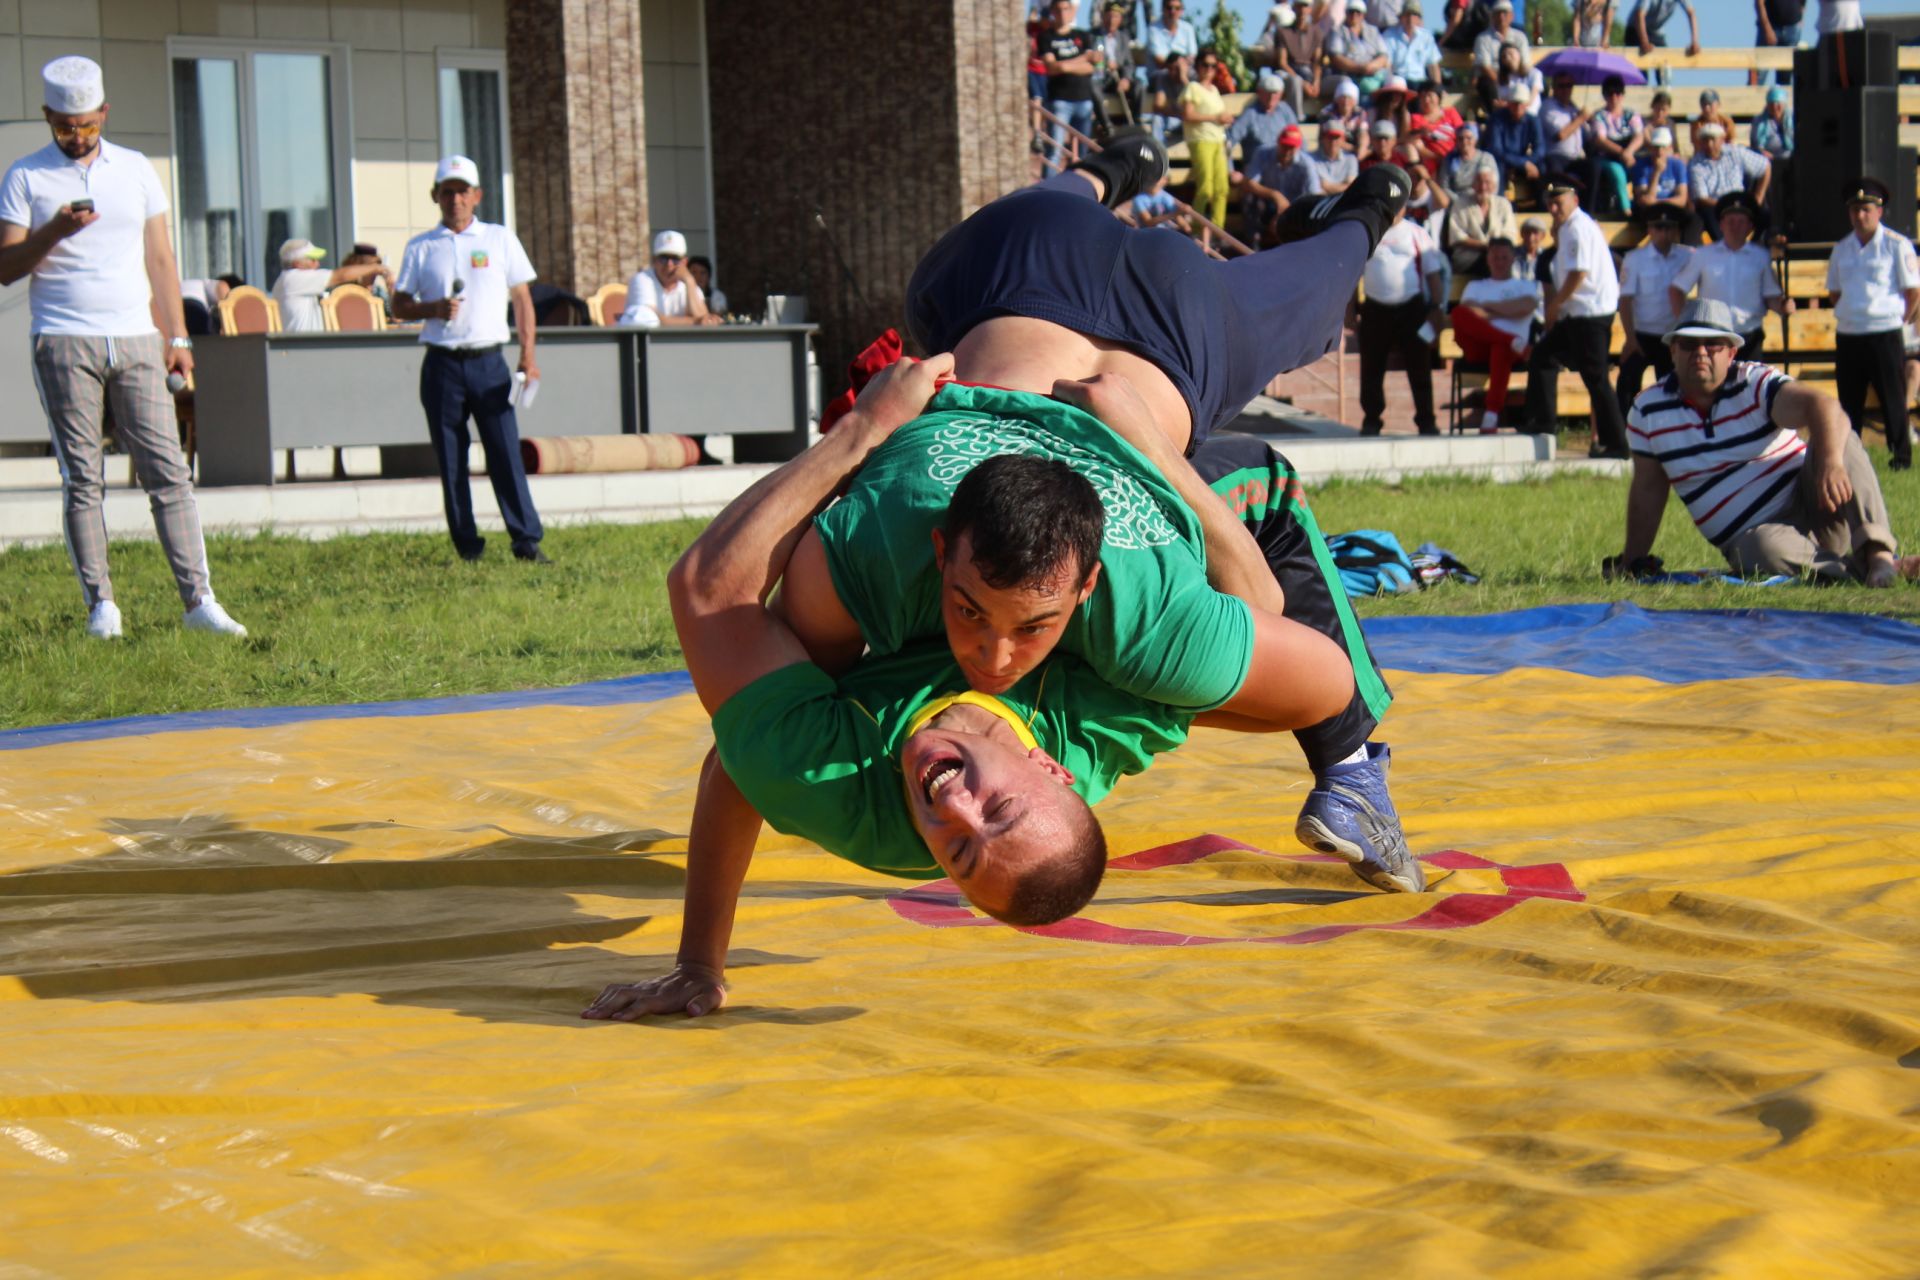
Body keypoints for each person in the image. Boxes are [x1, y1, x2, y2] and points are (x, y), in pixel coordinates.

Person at [579, 158, 1423, 1020]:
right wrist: (1158, 455)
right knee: (1320, 286)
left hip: (1011, 276)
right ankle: (1369, 208)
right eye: (1001, 814)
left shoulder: (867, 592)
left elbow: (735, 718)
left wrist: (863, 428)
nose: (955, 811)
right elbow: (1305, 667)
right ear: (1054, 767)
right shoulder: (1139, 643)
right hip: (1174, 337)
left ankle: (1104, 171)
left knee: (1051, 210)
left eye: (957, 857)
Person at [0, 55, 246, 640]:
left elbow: (161, 259)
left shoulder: (136, 169)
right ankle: (101, 607)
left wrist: (178, 336)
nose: (78, 137)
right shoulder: (25, 176)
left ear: (104, 113)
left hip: (137, 336)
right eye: (65, 127)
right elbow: (6, 267)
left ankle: (199, 603)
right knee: (83, 476)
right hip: (63, 337)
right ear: (47, 117)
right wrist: (54, 231)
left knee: (168, 471)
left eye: (87, 125)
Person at [1612, 297, 1915, 588]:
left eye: (1712, 343)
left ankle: (1879, 555)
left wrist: (1831, 461)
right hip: (1758, 538)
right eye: (1689, 344)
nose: (1700, 352)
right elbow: (1647, 490)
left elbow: (1823, 406)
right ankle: (1872, 571)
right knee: (1758, 549)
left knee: (1841, 437)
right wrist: (1632, 561)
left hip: (1819, 504)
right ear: (1673, 351)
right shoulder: (1648, 410)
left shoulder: (1756, 383)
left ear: (1731, 352)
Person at [391, 155, 547, 565]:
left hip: (489, 363)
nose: (455, 199)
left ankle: (526, 540)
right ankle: (467, 545)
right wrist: (433, 309)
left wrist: (527, 356)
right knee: (450, 455)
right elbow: (399, 305)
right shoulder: (422, 247)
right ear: (435, 196)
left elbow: (523, 300)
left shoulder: (498, 238)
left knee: (505, 451)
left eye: (463, 191)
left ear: (477, 195)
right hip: (442, 364)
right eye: (447, 191)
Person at [1524, 174, 1629, 457]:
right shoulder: (1574, 227)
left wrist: (1555, 305)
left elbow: (1578, 273)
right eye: (1550, 203)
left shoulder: (1576, 228)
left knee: (1594, 378)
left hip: (1588, 314)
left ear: (1574, 200)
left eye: (1558, 202)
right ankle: (1542, 424)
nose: (1553, 208)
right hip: (1582, 313)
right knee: (1544, 357)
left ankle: (1617, 443)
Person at [1826, 178, 1919, 470]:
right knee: (1849, 402)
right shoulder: (1841, 249)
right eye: (1855, 209)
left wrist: (1898, 321)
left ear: (1879, 211)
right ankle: (1851, 458)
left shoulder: (1896, 245)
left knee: (1892, 399)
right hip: (1850, 332)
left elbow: (1912, 291)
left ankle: (1901, 458)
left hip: (1884, 331)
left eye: (1866, 209)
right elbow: (1834, 292)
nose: (1860, 215)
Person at [1668, 192, 1791, 363]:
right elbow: (1677, 289)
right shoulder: (1703, 255)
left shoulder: (1760, 257)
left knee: (1748, 386)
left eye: (1741, 222)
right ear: (1721, 224)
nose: (1735, 226)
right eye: (1730, 221)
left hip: (1750, 335)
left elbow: (1771, 297)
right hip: (1715, 337)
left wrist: (1783, 306)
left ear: (1750, 227)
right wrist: (1684, 322)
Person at [1357, 204, 1446, 435]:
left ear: (1405, 207)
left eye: (1399, 206)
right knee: (1371, 368)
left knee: (1420, 366)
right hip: (1375, 308)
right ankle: (1372, 419)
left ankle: (1426, 420)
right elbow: (1353, 272)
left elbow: (1433, 275)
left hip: (1412, 308)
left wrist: (1437, 308)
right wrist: (1348, 310)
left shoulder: (1417, 234)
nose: (1394, 210)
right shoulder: (1369, 232)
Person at [1450, 237, 1540, 433]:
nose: (1499, 262)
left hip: (1510, 353)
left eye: (1504, 257)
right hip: (1479, 347)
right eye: (1495, 257)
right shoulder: (1476, 286)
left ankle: (1491, 415)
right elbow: (1469, 312)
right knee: (1458, 314)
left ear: (1512, 259)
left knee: (1500, 348)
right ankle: (1511, 340)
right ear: (1488, 259)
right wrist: (1508, 309)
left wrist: (1487, 307)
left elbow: (1525, 306)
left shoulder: (1524, 286)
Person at [1615, 208, 1693, 414]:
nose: (1664, 233)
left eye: (1668, 228)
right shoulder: (1635, 258)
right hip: (1642, 335)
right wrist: (1630, 339)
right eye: (1659, 227)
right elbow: (1625, 300)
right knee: (1627, 384)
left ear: (1675, 230)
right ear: (1649, 229)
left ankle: (1671, 432)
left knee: (1672, 389)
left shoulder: (1688, 256)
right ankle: (1627, 432)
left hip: (1672, 336)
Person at [269, 238, 394, 333]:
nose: (317, 264)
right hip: (303, 348)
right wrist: (376, 268)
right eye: (313, 260)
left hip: (305, 346)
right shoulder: (294, 278)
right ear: (297, 264)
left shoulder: (290, 280)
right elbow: (340, 275)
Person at [1039, 0, 1104, 163]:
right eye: (1058, 10)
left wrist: (1064, 66)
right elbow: (1052, 68)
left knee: (1082, 154)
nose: (1062, 14)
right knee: (1055, 150)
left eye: (1066, 9)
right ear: (1053, 12)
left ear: (1072, 11)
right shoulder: (1046, 37)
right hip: (1060, 100)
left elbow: (1091, 68)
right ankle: (1049, 187)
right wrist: (1082, 58)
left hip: (1084, 99)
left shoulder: (1082, 35)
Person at [1687, 124, 1771, 243]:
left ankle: (1755, 247)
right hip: (1714, 206)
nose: (1709, 144)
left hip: (1741, 202)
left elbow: (1765, 166)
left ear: (1722, 139)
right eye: (1705, 140)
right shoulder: (1695, 164)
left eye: (1713, 139)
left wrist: (1758, 197)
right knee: (1706, 214)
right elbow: (1702, 198)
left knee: (1766, 216)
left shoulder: (1736, 152)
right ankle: (1726, 248)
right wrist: (1727, 205)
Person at [619, 230, 722, 328]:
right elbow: (654, 321)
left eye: (675, 259)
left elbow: (704, 320)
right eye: (663, 258)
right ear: (654, 260)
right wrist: (695, 321)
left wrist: (689, 281)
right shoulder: (642, 280)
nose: (669, 265)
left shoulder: (688, 282)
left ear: (684, 262)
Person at [1235, 125, 1317, 244]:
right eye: (1285, 145)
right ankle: (1253, 241)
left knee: (1311, 209)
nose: (1287, 151)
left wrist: (1287, 211)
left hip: (1296, 207)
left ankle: (1302, 244)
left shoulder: (1307, 164)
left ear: (1298, 147)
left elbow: (1314, 194)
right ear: (1278, 142)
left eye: (1291, 147)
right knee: (1248, 197)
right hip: (1269, 203)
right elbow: (1249, 182)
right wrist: (1275, 195)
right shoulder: (1262, 153)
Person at [1180, 50, 1234, 226]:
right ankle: (1197, 230)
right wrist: (1216, 118)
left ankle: (1218, 231)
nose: (1209, 69)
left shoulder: (1215, 90)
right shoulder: (1193, 87)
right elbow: (1187, 114)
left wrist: (1225, 118)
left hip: (1218, 140)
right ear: (1198, 67)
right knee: (1206, 189)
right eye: (1206, 65)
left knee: (1222, 189)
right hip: (1201, 140)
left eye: (1213, 65)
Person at [1586, 74, 1643, 218]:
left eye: (1617, 93)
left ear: (1622, 95)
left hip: (1628, 155)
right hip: (1607, 158)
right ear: (1604, 96)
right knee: (1618, 173)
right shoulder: (1599, 116)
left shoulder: (1631, 114)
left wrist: (1628, 152)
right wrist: (1623, 152)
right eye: (1610, 94)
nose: (1614, 97)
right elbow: (1600, 140)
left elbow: (1639, 136)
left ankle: (1642, 205)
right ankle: (1626, 210)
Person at [1446, 162, 1517, 275]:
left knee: (1506, 260)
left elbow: (1509, 234)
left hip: (1498, 254)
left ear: (1494, 186)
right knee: (1489, 261)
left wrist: (1494, 249)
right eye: (1479, 182)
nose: (1483, 187)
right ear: (1473, 185)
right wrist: (1486, 246)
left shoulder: (1503, 204)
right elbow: (1457, 237)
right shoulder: (1460, 204)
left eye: (1487, 182)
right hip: (1468, 256)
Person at [1630, 125, 1693, 239]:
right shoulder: (1641, 166)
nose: (1659, 151)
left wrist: (1657, 202)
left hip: (1670, 207)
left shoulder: (1677, 165)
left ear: (1669, 147)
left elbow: (1682, 199)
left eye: (1663, 147)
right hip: (1649, 211)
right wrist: (1656, 172)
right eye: (1656, 147)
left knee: (1692, 219)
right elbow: (1644, 201)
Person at [1225, 72, 1300, 168]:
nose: (1271, 97)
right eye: (1268, 92)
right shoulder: (1250, 114)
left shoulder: (1285, 111)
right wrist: (1230, 170)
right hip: (1257, 168)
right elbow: (1229, 140)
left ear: (1281, 94)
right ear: (1259, 92)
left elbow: (1299, 139)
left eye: (1275, 93)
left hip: (1283, 168)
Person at [1485, 82, 1546, 195]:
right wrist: (1523, 163)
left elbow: (1540, 149)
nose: (1518, 107)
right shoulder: (1496, 119)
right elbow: (1496, 150)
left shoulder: (1533, 120)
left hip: (1521, 158)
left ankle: (1541, 206)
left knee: (1542, 167)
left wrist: (1529, 163)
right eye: (1514, 103)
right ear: (1508, 104)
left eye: (1521, 103)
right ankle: (1499, 202)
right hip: (1502, 159)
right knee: (1497, 166)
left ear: (1527, 104)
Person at [1326, 3, 1390, 97]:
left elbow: (1383, 55)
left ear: (1363, 15)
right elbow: (1336, 58)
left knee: (1392, 81)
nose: (1354, 15)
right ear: (1346, 13)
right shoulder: (1337, 31)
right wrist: (1360, 68)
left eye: (1358, 12)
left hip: (1373, 72)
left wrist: (1371, 66)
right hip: (1350, 74)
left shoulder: (1373, 30)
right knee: (1364, 87)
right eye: (1351, 12)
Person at [1275, 2, 1326, 119]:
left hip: (1309, 73)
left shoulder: (1317, 32)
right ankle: (1297, 119)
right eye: (1299, 6)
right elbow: (1282, 63)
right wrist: (1303, 83)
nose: (1302, 10)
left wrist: (1316, 82)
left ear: (1310, 9)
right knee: (1296, 81)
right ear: (1294, 8)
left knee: (1341, 83)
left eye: (1305, 6)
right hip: (1289, 72)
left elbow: (1317, 62)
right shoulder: (1283, 32)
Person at [1474, 2, 1529, 109]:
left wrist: (1514, 79)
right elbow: (1485, 67)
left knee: (1537, 81)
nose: (1501, 17)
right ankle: (1497, 114)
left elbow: (1525, 64)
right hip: (1494, 79)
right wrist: (1503, 82)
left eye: (1505, 13)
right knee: (1485, 83)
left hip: (1516, 76)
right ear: (1492, 17)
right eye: (1497, 13)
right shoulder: (1483, 39)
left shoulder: (1520, 37)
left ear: (1511, 16)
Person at [1539, 72, 1593, 182]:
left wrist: (1590, 121)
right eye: (1561, 86)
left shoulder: (1573, 108)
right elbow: (1560, 135)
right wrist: (1580, 119)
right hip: (1556, 156)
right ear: (1554, 87)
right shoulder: (1548, 107)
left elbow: (1587, 135)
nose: (1566, 90)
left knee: (1595, 168)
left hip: (1575, 158)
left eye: (1569, 85)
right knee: (1557, 178)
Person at [1383, 0, 1442, 86]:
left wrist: (1438, 88)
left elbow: (1433, 65)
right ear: (1401, 18)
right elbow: (1387, 65)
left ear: (1419, 19)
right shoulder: (1389, 36)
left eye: (1414, 15)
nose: (1410, 19)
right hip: (1399, 79)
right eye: (1407, 14)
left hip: (1420, 81)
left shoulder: (1426, 37)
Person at [1442, 120, 1499, 199]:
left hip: (1482, 199)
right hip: (1457, 203)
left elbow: (1494, 186)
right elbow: (1444, 187)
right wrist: (1459, 201)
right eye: (1460, 139)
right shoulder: (1450, 160)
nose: (1464, 142)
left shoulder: (1486, 158)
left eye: (1469, 138)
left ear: (1475, 140)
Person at [1627, 0, 1700, 60]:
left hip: (1656, 31)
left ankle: (1665, 77)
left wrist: (1694, 42)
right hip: (1636, 29)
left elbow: (1691, 13)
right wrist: (1644, 41)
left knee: (1665, 64)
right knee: (1640, 68)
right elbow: (1640, 14)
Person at [1757, 1, 1804, 87]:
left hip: (1792, 28)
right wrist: (1767, 28)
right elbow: (1759, 3)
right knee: (1759, 74)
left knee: (1785, 77)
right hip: (1770, 27)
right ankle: (1753, 99)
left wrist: (1801, 18)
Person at [1308, 119, 1359, 195]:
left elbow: (1351, 187)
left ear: (1343, 139)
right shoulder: (1310, 159)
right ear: (1323, 138)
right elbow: (1315, 190)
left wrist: (1326, 186)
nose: (1333, 141)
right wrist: (1343, 187)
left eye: (1336, 137)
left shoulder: (1351, 159)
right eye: (1329, 137)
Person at [1751, 86, 1794, 161]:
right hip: (1766, 160)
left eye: (1778, 103)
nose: (1775, 107)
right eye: (1771, 104)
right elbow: (1754, 145)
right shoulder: (1758, 121)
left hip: (1791, 159)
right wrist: (1761, 151)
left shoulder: (1793, 119)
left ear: (1784, 104)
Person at [1689, 89, 1736, 156]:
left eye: (1710, 104)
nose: (1707, 108)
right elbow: (1698, 148)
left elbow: (1731, 144)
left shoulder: (1727, 122)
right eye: (1704, 104)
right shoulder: (1696, 124)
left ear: (1718, 105)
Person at [1320, 78, 1368, 142]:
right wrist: (1353, 149)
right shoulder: (1327, 112)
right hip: (1333, 146)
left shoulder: (1360, 113)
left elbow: (1363, 133)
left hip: (1354, 146)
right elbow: (1333, 140)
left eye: (1349, 98)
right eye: (1343, 97)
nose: (1346, 101)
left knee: (1364, 135)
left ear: (1355, 101)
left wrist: (1360, 150)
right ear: (1337, 99)